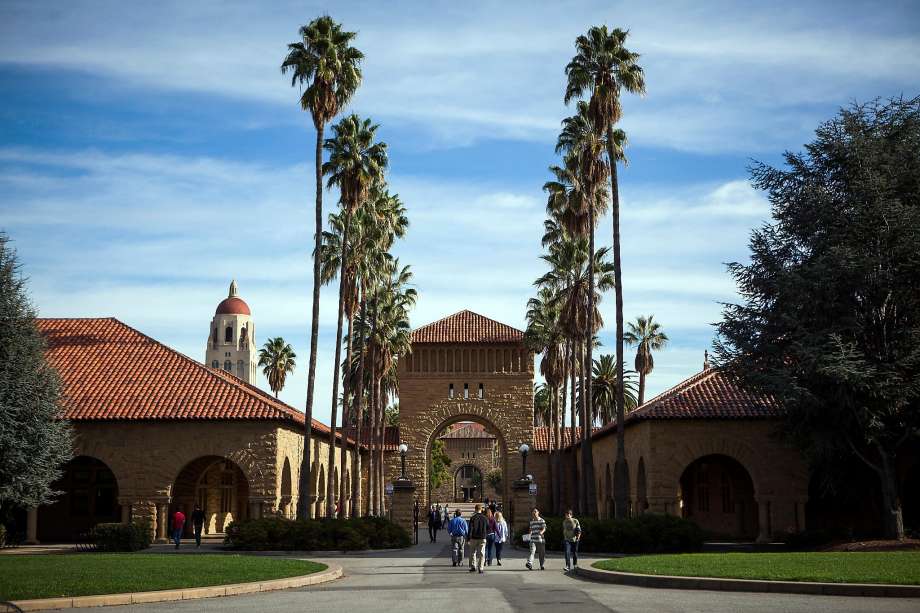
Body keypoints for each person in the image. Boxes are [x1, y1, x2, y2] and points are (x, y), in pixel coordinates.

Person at [467, 503, 488, 574]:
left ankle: (473, 566)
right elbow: (488, 527)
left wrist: (468, 538)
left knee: (473, 552)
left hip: (474, 537)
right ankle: (481, 568)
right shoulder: (485, 518)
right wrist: (485, 534)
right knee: (482, 553)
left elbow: (470, 529)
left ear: (475, 509)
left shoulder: (473, 518)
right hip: (482, 537)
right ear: (481, 509)